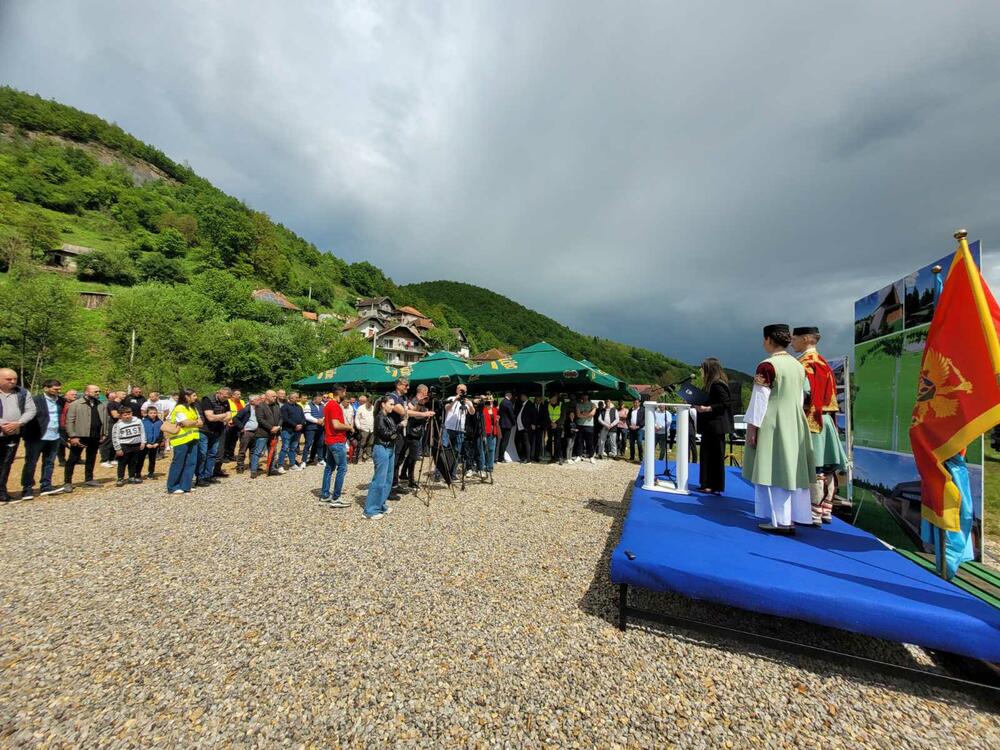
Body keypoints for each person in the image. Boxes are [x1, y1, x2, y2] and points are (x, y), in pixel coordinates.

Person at [743, 324, 815, 534]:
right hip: (795, 420)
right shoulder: (798, 366)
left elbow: (760, 399)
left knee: (773, 469)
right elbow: (801, 397)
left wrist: (752, 428)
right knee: (791, 468)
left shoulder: (767, 366)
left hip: (773, 421)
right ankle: (793, 517)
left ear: (768, 340)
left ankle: (780, 520)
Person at [792, 326, 848, 525]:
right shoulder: (824, 363)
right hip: (826, 421)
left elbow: (804, 394)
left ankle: (813, 511)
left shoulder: (804, 364)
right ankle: (826, 509)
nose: (792, 342)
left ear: (806, 339)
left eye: (795, 338)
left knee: (815, 467)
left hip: (811, 420)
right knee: (827, 467)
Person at [693, 357, 733, 494]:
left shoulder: (717, 384)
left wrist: (707, 408)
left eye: (702, 368)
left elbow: (725, 403)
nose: (700, 371)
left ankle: (714, 485)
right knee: (706, 455)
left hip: (716, 427)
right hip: (709, 426)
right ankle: (706, 483)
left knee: (715, 456)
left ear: (709, 370)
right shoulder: (710, 384)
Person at [20, 378, 64, 499]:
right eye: (55, 389)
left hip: (54, 436)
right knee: (31, 463)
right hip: (36, 437)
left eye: (59, 389)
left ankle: (46, 486)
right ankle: (27, 489)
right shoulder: (35, 400)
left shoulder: (61, 401)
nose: (58, 391)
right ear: (46, 388)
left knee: (49, 463)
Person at [0, 368, 36, 502]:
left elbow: (31, 410)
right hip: (2, 429)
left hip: (13, 434)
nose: (13, 381)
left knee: (6, 463)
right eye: (8, 379)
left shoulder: (22, 392)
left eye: (15, 379)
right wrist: (2, 424)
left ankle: (1, 491)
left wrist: (18, 423)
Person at [63, 384, 105, 491]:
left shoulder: (100, 404)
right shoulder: (76, 404)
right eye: (95, 391)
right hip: (80, 436)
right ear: (87, 392)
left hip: (95, 436)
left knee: (91, 457)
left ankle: (89, 479)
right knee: (73, 459)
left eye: (99, 391)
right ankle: (67, 482)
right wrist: (73, 436)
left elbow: (103, 420)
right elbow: (69, 421)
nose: (98, 393)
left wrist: (104, 433)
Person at [363, 396, 399, 520]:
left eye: (393, 404)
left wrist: (396, 430)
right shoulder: (379, 418)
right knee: (379, 480)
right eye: (391, 404)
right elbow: (386, 434)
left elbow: (392, 434)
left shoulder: (388, 417)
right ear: (383, 404)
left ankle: (380, 504)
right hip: (381, 448)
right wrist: (399, 427)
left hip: (389, 448)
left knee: (388, 479)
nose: (393, 406)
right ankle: (370, 510)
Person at [319, 385, 352, 507]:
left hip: (330, 440)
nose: (345, 395)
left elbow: (325, 421)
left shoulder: (328, 405)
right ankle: (336, 498)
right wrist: (349, 427)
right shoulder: (334, 405)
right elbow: (336, 425)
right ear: (340, 392)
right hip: (336, 440)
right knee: (342, 468)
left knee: (329, 468)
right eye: (345, 392)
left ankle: (325, 495)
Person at [165, 389, 202, 494]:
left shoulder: (193, 407)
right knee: (178, 462)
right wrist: (193, 422)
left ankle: (186, 485)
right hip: (180, 439)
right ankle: (173, 486)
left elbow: (201, 423)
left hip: (193, 438)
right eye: (194, 395)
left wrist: (191, 422)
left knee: (191, 462)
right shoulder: (179, 408)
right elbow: (186, 423)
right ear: (186, 396)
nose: (196, 397)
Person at [196, 387, 232, 486]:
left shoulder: (226, 401)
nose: (225, 399)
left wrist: (219, 417)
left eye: (227, 397)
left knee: (212, 454)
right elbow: (210, 417)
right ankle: (200, 477)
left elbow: (229, 416)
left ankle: (208, 475)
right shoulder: (207, 400)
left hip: (216, 431)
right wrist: (223, 416)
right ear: (218, 393)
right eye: (224, 396)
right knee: (203, 454)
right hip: (204, 430)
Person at [401, 385, 433, 487]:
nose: (427, 393)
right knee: (413, 457)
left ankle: (403, 474)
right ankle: (411, 480)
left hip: (418, 431)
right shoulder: (413, 401)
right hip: (413, 432)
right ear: (423, 391)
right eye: (426, 391)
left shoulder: (423, 401)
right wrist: (424, 412)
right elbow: (414, 414)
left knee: (411, 455)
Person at [443, 384, 475, 474]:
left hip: (460, 429)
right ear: (457, 390)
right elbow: (447, 408)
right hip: (448, 428)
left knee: (457, 451)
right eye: (460, 390)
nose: (462, 392)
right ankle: (440, 473)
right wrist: (455, 399)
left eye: (464, 390)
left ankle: (452, 473)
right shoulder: (451, 398)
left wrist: (470, 405)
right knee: (444, 449)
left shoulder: (467, 401)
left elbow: (472, 412)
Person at [111, 406, 146, 486]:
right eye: (125, 415)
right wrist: (118, 448)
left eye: (129, 414)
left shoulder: (138, 421)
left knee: (133, 462)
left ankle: (131, 477)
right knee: (122, 462)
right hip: (124, 445)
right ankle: (120, 478)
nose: (127, 416)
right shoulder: (118, 425)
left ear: (132, 413)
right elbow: (115, 437)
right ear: (120, 416)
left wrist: (143, 442)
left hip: (136, 445)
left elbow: (142, 432)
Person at [252, 390, 282, 478]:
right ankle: (254, 470)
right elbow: (260, 419)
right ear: (267, 396)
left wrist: (278, 427)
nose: (275, 398)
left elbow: (281, 417)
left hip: (274, 433)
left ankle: (271, 469)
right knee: (258, 452)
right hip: (263, 433)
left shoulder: (276, 406)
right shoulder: (260, 406)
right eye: (273, 396)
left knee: (272, 451)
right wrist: (271, 428)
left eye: (275, 396)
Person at [278, 390, 306, 472]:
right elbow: (285, 419)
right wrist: (295, 425)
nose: (298, 398)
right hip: (287, 430)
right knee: (285, 448)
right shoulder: (284, 407)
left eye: (298, 397)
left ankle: (292, 464)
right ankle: (280, 465)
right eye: (296, 397)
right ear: (291, 398)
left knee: (293, 448)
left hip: (297, 431)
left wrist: (301, 424)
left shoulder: (299, 407)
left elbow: (303, 417)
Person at [233, 394, 261, 473]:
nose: (260, 401)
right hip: (246, 433)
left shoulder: (258, 409)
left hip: (255, 432)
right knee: (243, 450)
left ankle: (253, 465)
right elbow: (235, 418)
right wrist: (241, 427)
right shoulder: (246, 409)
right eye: (258, 400)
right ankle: (240, 467)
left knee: (253, 451)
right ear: (252, 401)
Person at [98, 390, 122, 467]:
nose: (113, 397)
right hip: (108, 423)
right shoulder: (105, 403)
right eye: (111, 396)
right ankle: (104, 460)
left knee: (114, 441)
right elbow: (114, 415)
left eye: (114, 395)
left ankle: (112, 459)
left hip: (116, 423)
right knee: (107, 441)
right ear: (108, 397)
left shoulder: (118, 404)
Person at [139, 405, 163, 479]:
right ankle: (137, 473)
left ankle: (151, 473)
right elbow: (141, 433)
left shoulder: (160, 422)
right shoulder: (143, 422)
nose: (153, 414)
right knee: (141, 459)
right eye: (151, 413)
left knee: (152, 459)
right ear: (147, 413)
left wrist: (157, 443)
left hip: (154, 444)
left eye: (154, 413)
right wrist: (146, 443)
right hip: (145, 444)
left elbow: (161, 433)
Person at [479, 393, 500, 474]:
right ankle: (483, 466)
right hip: (484, 431)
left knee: (491, 449)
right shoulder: (482, 409)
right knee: (483, 449)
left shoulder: (495, 410)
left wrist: (497, 420)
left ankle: (490, 466)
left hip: (493, 431)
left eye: (491, 400)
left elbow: (495, 421)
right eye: (488, 400)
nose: (490, 402)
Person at [302, 393, 326, 466]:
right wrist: (317, 421)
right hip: (310, 428)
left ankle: (320, 459)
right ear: (314, 399)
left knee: (320, 443)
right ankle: (304, 461)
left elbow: (325, 414)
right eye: (319, 399)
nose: (321, 400)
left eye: (321, 398)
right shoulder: (308, 405)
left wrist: (323, 419)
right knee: (308, 444)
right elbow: (307, 416)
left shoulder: (322, 405)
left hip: (320, 428)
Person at [223, 389, 245, 461]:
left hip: (238, 425)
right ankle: (225, 456)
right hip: (230, 424)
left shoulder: (242, 402)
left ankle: (231, 455)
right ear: (232, 395)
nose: (240, 396)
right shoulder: (228, 401)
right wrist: (227, 421)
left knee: (234, 440)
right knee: (227, 440)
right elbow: (225, 412)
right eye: (238, 394)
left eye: (240, 394)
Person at [57, 388, 77, 467]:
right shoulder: (61, 402)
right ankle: (62, 460)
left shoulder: (76, 403)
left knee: (76, 443)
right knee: (61, 444)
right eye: (72, 394)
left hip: (74, 426)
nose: (75, 396)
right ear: (66, 395)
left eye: (75, 394)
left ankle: (76, 458)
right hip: (63, 426)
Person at [575, 393, 596, 464]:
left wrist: (583, 413)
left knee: (590, 442)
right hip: (580, 425)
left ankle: (591, 456)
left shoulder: (592, 404)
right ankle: (579, 455)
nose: (584, 396)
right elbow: (578, 415)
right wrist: (588, 415)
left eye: (586, 395)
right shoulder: (578, 404)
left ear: (588, 396)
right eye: (583, 395)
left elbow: (592, 414)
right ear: (581, 396)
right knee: (579, 441)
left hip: (589, 425)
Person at [353, 394, 374, 463]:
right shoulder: (360, 408)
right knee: (361, 444)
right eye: (369, 403)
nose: (370, 405)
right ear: (366, 402)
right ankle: (359, 459)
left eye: (371, 403)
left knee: (370, 444)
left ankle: (368, 457)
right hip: (363, 429)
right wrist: (359, 426)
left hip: (372, 429)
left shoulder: (373, 408)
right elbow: (357, 418)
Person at [498, 391, 517, 462]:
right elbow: (511, 414)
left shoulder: (502, 402)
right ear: (509, 395)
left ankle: (500, 456)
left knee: (502, 441)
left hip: (502, 424)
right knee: (505, 441)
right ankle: (501, 457)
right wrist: (514, 422)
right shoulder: (508, 403)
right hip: (507, 424)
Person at [545, 393, 563, 464]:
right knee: (549, 442)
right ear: (550, 399)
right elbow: (546, 415)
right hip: (550, 426)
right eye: (552, 399)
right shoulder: (547, 405)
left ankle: (559, 457)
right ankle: (552, 457)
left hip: (558, 426)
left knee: (557, 442)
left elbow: (563, 416)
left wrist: (556, 423)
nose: (553, 400)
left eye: (555, 399)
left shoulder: (561, 404)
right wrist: (551, 423)